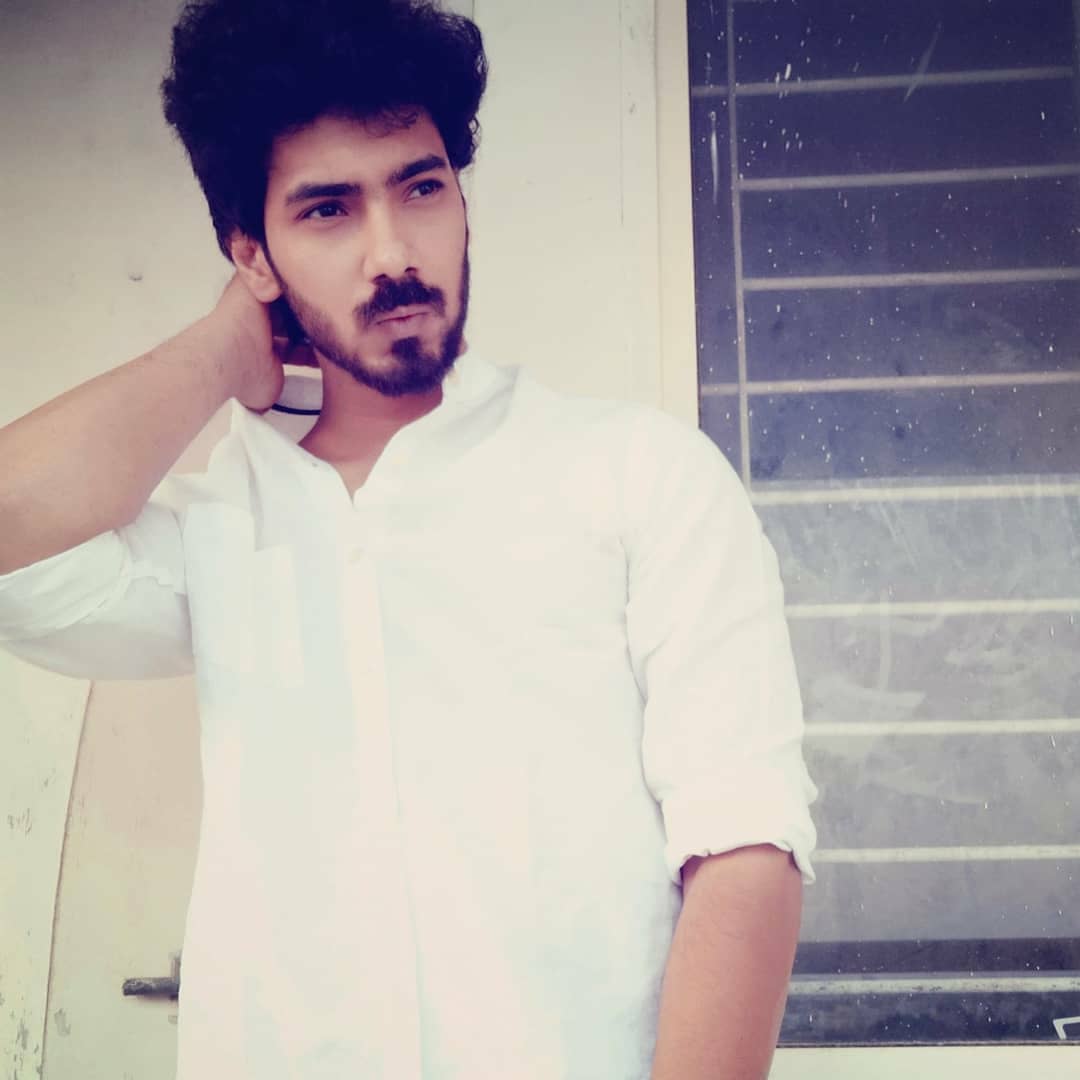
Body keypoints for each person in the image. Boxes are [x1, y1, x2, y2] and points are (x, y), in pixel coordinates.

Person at [0, 1, 817, 1076]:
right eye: (328, 210)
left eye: (421, 189)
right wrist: (218, 354)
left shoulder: (640, 476)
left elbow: (745, 845)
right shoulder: (223, 525)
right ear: (254, 254)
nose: (393, 254)